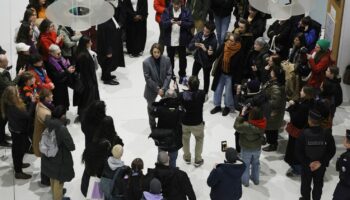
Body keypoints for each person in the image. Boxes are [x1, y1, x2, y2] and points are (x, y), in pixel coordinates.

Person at [295, 107, 336, 200]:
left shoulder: (303, 134)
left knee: (305, 184)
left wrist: (308, 163)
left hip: (307, 166)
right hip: (320, 166)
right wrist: (321, 162)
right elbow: (332, 150)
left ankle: (305, 198)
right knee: (318, 184)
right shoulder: (327, 134)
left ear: (309, 120)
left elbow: (298, 152)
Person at [41, 106, 75, 200]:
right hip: (59, 159)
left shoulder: (48, 121)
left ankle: (55, 193)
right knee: (59, 181)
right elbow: (71, 146)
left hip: (48, 155)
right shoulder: (62, 128)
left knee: (52, 176)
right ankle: (58, 197)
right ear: (62, 116)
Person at [1, 86, 32, 179]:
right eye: (17, 93)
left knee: (18, 149)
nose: (19, 94)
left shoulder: (8, 102)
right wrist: (33, 103)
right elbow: (27, 115)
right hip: (18, 131)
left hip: (14, 129)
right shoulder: (14, 107)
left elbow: (22, 100)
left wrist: (28, 98)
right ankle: (18, 172)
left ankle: (19, 164)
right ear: (12, 96)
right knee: (18, 151)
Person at [284, 85, 315, 177]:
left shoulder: (304, 107)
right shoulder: (311, 102)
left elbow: (295, 119)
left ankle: (297, 170)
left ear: (306, 94)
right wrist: (295, 103)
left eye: (302, 91)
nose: (300, 92)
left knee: (295, 151)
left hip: (298, 131)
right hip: (305, 131)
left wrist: (291, 107)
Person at [160, 0, 194, 83]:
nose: (176, 6)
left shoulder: (186, 11)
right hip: (170, 39)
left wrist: (182, 23)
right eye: (174, 4)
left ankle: (182, 74)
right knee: (170, 58)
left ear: (181, 4)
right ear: (172, 3)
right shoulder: (167, 11)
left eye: (178, 4)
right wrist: (169, 22)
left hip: (182, 40)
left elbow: (191, 24)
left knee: (182, 59)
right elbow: (162, 24)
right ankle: (171, 74)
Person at [210, 33, 242, 116]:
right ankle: (217, 106)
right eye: (229, 39)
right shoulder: (224, 45)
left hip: (231, 75)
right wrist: (210, 53)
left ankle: (227, 107)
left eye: (231, 40)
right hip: (220, 73)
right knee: (217, 89)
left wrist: (238, 81)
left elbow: (239, 67)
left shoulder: (239, 51)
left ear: (236, 42)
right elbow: (216, 55)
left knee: (228, 93)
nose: (229, 41)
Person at [234, 106, 266, 187]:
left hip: (246, 148)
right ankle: (256, 180)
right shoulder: (263, 122)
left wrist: (241, 115)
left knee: (245, 165)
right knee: (256, 163)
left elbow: (236, 126)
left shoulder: (246, 126)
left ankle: (245, 182)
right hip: (257, 148)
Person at [151, 89, 183, 168]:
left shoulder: (160, 107)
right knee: (172, 160)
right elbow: (184, 118)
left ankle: (160, 175)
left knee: (161, 160)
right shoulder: (179, 109)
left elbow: (152, 113)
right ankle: (172, 176)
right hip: (174, 140)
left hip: (162, 139)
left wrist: (160, 102)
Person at [143, 43, 172, 129]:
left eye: (158, 52)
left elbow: (169, 74)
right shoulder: (146, 62)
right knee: (151, 109)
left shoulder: (167, 60)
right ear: (152, 52)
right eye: (154, 52)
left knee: (166, 107)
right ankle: (153, 126)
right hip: (151, 89)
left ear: (161, 52)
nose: (156, 54)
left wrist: (163, 88)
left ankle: (164, 124)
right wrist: (157, 89)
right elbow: (147, 78)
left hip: (164, 87)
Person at [97, 0, 125, 85]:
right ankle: (107, 79)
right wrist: (108, 50)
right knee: (108, 62)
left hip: (111, 46)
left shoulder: (108, 19)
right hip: (107, 48)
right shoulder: (104, 22)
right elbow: (104, 38)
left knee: (109, 62)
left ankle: (105, 75)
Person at [179, 76, 205, 166]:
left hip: (185, 123)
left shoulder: (182, 95)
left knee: (185, 139)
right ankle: (198, 159)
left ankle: (187, 157)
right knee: (199, 139)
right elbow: (205, 98)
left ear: (188, 85)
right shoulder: (201, 94)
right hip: (197, 123)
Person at [0, 54, 25, 147]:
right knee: (2, 120)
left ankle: (2, 135)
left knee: (4, 120)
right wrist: (19, 75)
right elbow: (10, 85)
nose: (8, 62)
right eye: (5, 61)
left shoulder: (3, 71)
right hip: (2, 100)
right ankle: (1, 140)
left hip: (4, 99)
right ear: (0, 63)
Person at [73, 36, 100, 121]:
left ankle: (83, 115)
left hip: (84, 80)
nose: (91, 43)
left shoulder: (80, 52)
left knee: (84, 100)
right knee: (87, 100)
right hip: (88, 82)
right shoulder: (84, 56)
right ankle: (85, 117)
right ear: (86, 44)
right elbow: (88, 71)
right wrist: (92, 83)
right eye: (90, 42)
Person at [188, 21, 217, 97]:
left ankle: (205, 93)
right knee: (194, 75)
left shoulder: (214, 40)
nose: (204, 33)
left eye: (207, 32)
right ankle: (193, 90)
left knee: (206, 78)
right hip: (198, 59)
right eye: (204, 30)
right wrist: (195, 44)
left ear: (211, 32)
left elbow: (212, 56)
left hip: (207, 63)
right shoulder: (199, 34)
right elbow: (190, 46)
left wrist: (206, 50)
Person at [262, 65, 286, 152]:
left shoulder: (276, 87)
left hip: (273, 113)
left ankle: (273, 144)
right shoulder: (273, 82)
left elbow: (275, 102)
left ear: (275, 74)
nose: (270, 72)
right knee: (269, 129)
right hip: (270, 112)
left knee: (271, 130)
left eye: (272, 71)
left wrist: (264, 101)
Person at [33, 88, 54, 185]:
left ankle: (45, 178)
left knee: (45, 159)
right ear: (46, 98)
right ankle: (45, 180)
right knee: (46, 160)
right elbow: (51, 127)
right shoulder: (44, 112)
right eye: (50, 95)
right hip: (44, 139)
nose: (52, 96)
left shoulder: (41, 104)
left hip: (42, 137)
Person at [46, 44, 75, 110]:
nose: (60, 55)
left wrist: (70, 67)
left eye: (60, 52)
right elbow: (56, 76)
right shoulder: (50, 63)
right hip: (57, 86)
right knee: (60, 102)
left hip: (63, 82)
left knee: (65, 100)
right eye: (58, 54)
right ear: (51, 53)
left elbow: (65, 66)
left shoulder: (60, 58)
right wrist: (67, 71)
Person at [333, 130, 350, 200]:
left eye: (345, 138)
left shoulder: (345, 157)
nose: (344, 139)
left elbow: (343, 174)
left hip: (345, 189)